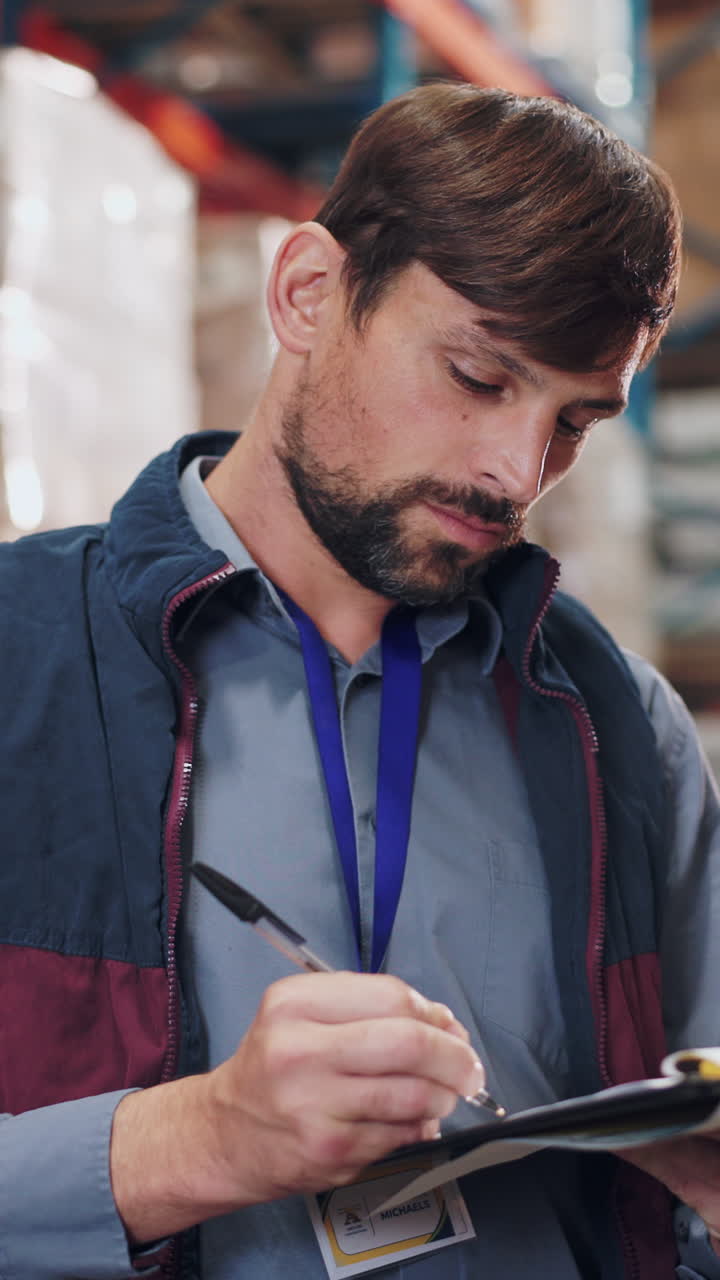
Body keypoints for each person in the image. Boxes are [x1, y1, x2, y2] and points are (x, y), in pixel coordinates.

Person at [0, 81, 719, 1280]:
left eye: (576, 422)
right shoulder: (20, 661)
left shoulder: (620, 727)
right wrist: (194, 1140)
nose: (516, 472)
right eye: (479, 377)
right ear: (306, 294)